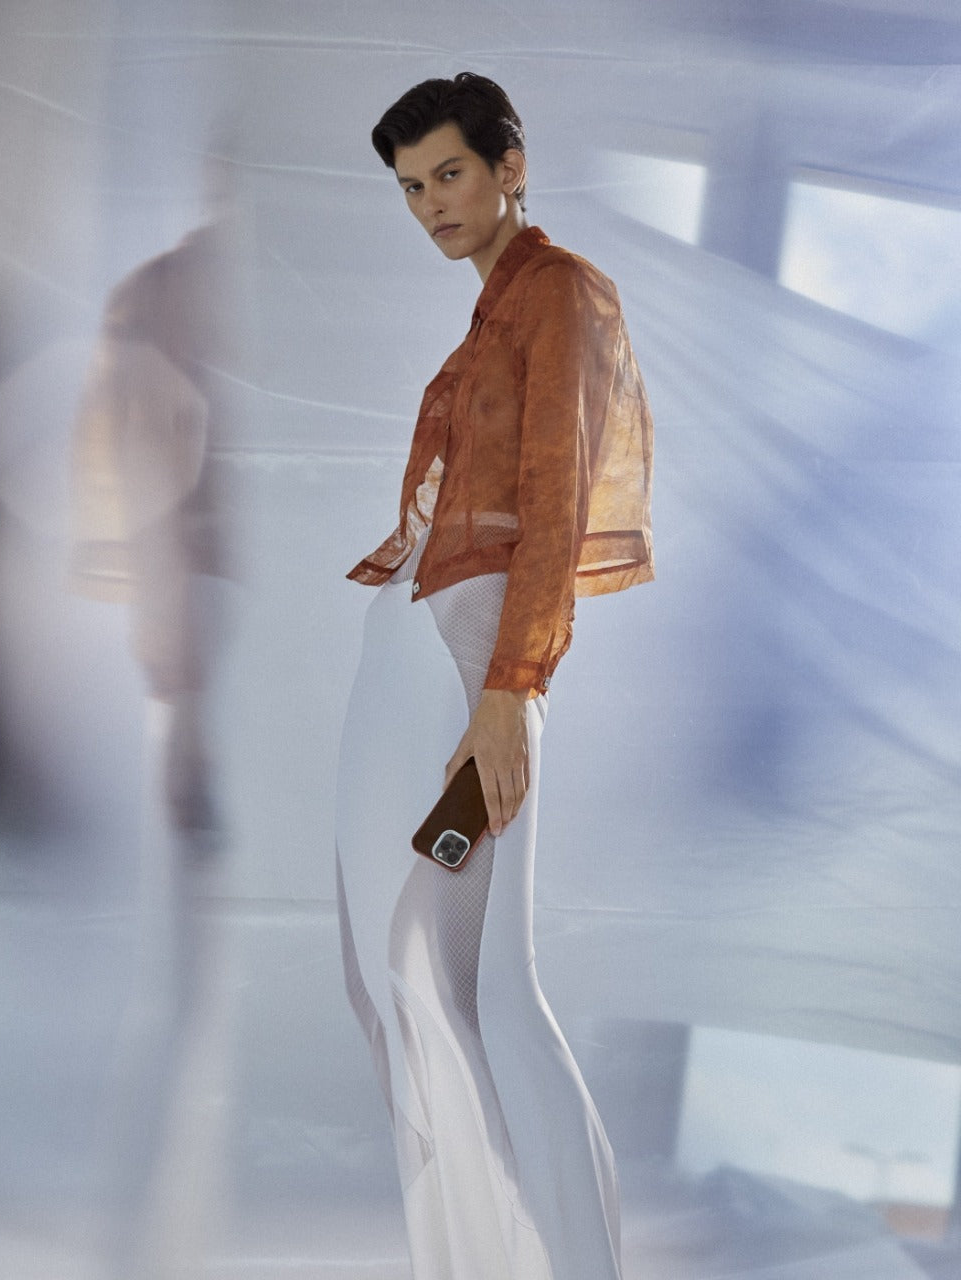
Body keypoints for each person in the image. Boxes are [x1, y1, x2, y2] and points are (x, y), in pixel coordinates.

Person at [336, 72, 653, 1279]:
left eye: (450, 173)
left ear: (509, 167)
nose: (429, 203)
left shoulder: (559, 293)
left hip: (469, 656)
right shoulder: (490, 313)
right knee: (411, 974)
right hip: (424, 643)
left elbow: (555, 508)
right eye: (410, 186)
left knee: (484, 987)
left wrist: (512, 688)